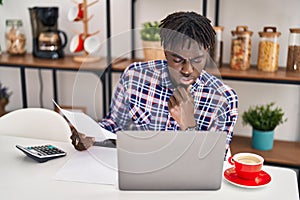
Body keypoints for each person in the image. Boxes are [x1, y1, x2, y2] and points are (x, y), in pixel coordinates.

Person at [70, 11, 238, 155]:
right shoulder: (134, 76)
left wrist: (187, 123)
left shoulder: (224, 99)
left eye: (197, 60)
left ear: (207, 52)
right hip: (137, 171)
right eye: (178, 60)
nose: (187, 70)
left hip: (189, 184)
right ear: (165, 52)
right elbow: (115, 123)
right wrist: (91, 134)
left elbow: (214, 161)